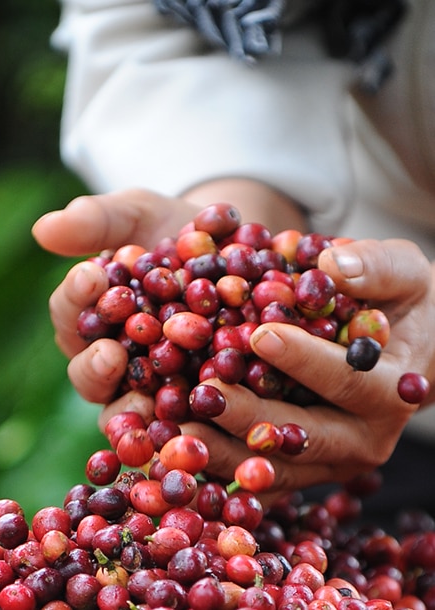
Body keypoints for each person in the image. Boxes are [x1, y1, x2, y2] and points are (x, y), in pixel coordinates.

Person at [31, 0, 435, 511]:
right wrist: (238, 196)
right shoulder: (291, 304)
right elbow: (178, 22)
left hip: (389, 317)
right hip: (370, 313)